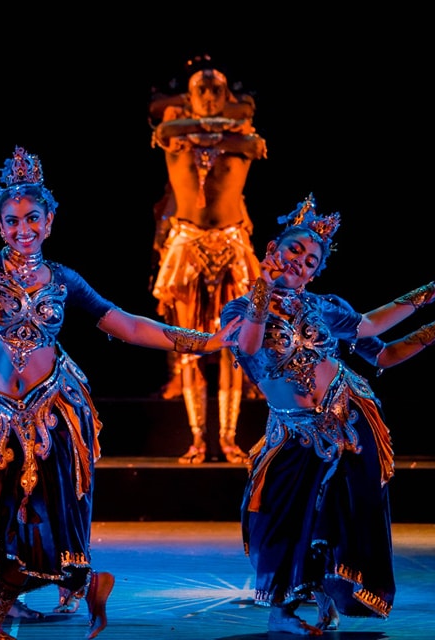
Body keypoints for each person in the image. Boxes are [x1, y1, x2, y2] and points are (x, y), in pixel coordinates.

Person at [0, 146, 243, 640]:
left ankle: (22, 603)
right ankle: (24, 599)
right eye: (12, 221)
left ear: (50, 221)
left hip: (52, 411)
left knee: (47, 516)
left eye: (33, 219)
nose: (22, 230)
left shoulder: (64, 280)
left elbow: (129, 325)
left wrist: (203, 342)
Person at [220, 194, 435, 635]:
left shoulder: (325, 306)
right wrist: (264, 287)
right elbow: (249, 346)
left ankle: (327, 593)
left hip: (349, 417)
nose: (301, 264)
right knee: (283, 516)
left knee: (346, 512)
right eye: (295, 251)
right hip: (293, 430)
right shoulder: (239, 310)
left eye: (311, 261)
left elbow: (377, 344)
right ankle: (284, 609)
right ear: (273, 249)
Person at [150, 64, 268, 464]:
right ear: (188, 95)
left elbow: (249, 139)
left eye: (217, 90)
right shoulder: (175, 136)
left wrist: (217, 120)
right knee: (190, 346)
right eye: (202, 90)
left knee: (235, 346)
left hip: (233, 243)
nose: (211, 97)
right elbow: (166, 132)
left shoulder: (242, 138)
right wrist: (209, 120)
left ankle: (230, 438)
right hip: (188, 243)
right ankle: (198, 440)